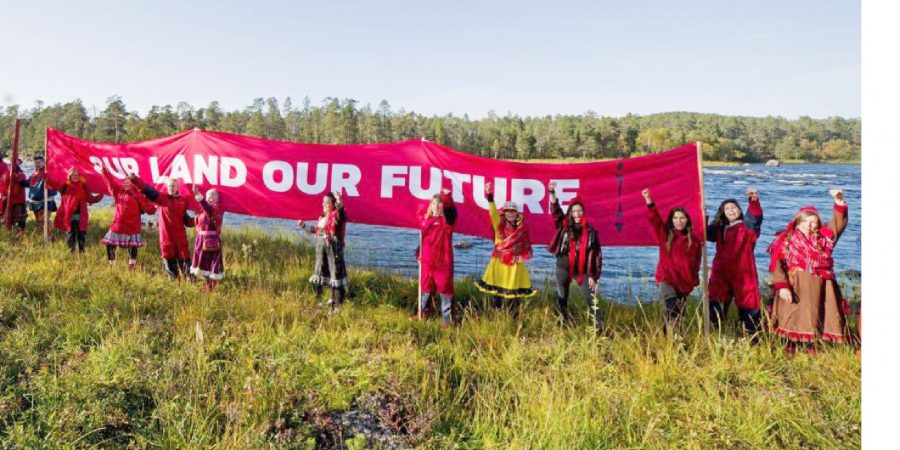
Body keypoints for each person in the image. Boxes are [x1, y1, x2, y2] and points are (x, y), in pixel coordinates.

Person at [768, 189, 849, 353]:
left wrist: (839, 202)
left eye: (813, 222)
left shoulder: (824, 238)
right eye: (805, 221)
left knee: (818, 313)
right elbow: (777, 264)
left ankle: (813, 346)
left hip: (822, 283)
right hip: (796, 282)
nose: (809, 225)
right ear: (797, 222)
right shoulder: (786, 239)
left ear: (818, 223)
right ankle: (791, 345)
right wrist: (782, 286)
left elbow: (837, 224)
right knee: (794, 313)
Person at [642, 188, 702, 335]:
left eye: (682, 218)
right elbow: (654, 220)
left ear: (687, 219)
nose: (679, 221)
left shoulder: (694, 240)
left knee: (679, 314)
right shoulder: (666, 235)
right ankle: (674, 340)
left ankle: (669, 335)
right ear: (671, 220)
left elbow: (696, 263)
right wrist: (648, 200)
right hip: (666, 278)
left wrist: (693, 280)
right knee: (672, 304)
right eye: (675, 218)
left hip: (684, 281)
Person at [474, 182, 537, 317]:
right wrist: (489, 195)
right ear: (504, 212)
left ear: (516, 213)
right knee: (498, 293)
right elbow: (492, 211)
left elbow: (527, 246)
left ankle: (514, 319)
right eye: (507, 211)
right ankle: (496, 319)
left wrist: (523, 256)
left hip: (515, 263)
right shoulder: (499, 224)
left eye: (512, 211)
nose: (510, 214)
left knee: (514, 295)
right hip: (500, 261)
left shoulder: (523, 228)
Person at [706, 189, 764, 335]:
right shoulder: (719, 229)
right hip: (721, 273)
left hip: (743, 272)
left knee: (748, 303)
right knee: (716, 304)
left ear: (739, 210)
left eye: (734, 207)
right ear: (722, 212)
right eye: (727, 208)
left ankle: (751, 338)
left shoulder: (747, 227)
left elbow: (755, 218)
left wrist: (753, 201)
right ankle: (717, 336)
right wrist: (703, 215)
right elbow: (704, 233)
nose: (731, 210)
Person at [548, 182, 603, 332]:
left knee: (592, 299)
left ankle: (599, 329)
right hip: (563, 267)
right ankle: (562, 324)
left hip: (583, 270)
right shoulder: (564, 225)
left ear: (583, 212)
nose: (577, 214)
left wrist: (594, 275)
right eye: (574, 211)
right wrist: (551, 191)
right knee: (562, 296)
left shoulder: (591, 231)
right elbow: (555, 210)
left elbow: (597, 255)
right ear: (570, 213)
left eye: (579, 211)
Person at [133, 175, 196, 279]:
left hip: (180, 240)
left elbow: (187, 221)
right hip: (167, 240)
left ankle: (191, 288)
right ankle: (175, 289)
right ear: (167, 187)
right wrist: (136, 180)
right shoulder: (161, 198)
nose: (171, 188)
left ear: (178, 188)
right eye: (170, 186)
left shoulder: (183, 201)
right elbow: (148, 191)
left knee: (187, 271)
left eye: (173, 186)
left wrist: (199, 220)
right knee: (172, 273)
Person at [411, 188, 458, 327]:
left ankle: (447, 323)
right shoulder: (426, 221)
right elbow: (422, 240)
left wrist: (447, 196)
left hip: (443, 264)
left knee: (445, 291)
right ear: (430, 205)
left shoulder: (447, 222)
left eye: (439, 204)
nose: (436, 206)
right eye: (434, 203)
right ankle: (422, 315)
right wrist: (419, 253)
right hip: (427, 263)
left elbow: (451, 211)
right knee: (425, 289)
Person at [99, 168, 156, 269]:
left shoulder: (138, 195)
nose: (126, 184)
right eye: (124, 182)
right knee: (110, 245)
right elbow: (111, 182)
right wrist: (104, 171)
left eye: (128, 182)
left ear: (132, 184)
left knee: (133, 247)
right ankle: (111, 265)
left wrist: (155, 204)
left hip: (132, 227)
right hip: (118, 226)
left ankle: (131, 266)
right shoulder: (118, 192)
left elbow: (149, 209)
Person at [299, 192, 348, 311]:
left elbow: (342, 215)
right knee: (328, 275)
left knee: (336, 275)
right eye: (323, 202)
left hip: (333, 251)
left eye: (327, 202)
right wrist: (304, 226)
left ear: (333, 204)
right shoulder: (323, 217)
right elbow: (317, 231)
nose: (324, 204)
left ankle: (338, 307)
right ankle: (332, 301)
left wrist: (339, 201)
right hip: (323, 252)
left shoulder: (336, 215)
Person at [51, 167, 103, 252]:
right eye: (73, 175)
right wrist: (46, 175)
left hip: (81, 216)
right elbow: (54, 183)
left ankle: (82, 253)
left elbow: (90, 199)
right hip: (69, 216)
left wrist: (101, 194)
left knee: (81, 235)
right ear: (69, 176)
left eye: (77, 175)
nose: (75, 176)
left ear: (79, 176)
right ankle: (71, 253)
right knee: (70, 235)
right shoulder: (65, 186)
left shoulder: (83, 186)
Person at [190, 185, 225, 291]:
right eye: (207, 197)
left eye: (211, 197)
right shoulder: (203, 210)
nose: (208, 199)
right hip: (201, 240)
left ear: (217, 198)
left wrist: (198, 196)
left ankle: (211, 287)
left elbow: (208, 209)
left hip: (211, 240)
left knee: (212, 263)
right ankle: (206, 285)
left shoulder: (217, 208)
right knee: (202, 262)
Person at [27, 155, 58, 227]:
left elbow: (54, 184)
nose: (37, 164)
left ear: (44, 162)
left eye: (39, 162)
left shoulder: (49, 173)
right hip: (35, 202)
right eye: (35, 163)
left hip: (46, 201)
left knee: (43, 220)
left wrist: (47, 177)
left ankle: (51, 232)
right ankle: (50, 236)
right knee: (39, 222)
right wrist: (17, 178)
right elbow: (27, 183)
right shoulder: (34, 174)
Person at [0, 158, 28, 234]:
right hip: (9, 199)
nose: (10, 166)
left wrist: (16, 176)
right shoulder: (6, 174)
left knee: (21, 218)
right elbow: (3, 186)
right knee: (9, 217)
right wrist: (3, 195)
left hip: (19, 200)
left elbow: (23, 183)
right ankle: (9, 232)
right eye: (9, 165)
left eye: (12, 165)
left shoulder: (21, 174)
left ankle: (21, 232)